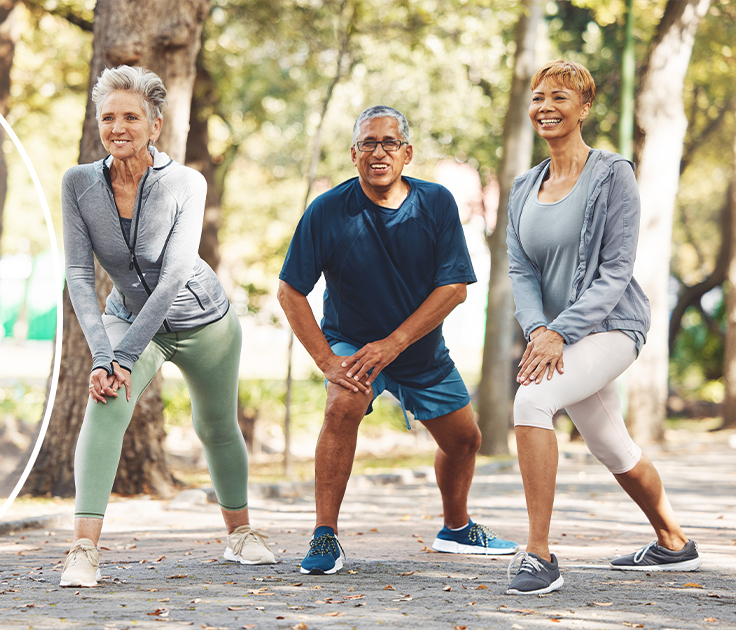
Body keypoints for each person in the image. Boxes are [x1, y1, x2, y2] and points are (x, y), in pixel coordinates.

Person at [58, 65, 276, 588]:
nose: (118, 127)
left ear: (154, 125)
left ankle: (241, 534)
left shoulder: (186, 183)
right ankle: (83, 549)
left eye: (131, 116)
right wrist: (106, 358)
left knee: (216, 427)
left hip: (205, 321)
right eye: (108, 117)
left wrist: (124, 356)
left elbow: (177, 273)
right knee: (106, 401)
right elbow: (79, 274)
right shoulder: (79, 184)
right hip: (131, 317)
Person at [278, 105, 518, 576]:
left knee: (466, 440)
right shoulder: (327, 210)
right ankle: (325, 535)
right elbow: (290, 291)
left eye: (389, 143)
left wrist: (394, 343)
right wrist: (328, 361)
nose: (379, 152)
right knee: (341, 404)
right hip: (352, 343)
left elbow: (454, 288)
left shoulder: (436, 203)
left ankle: (455, 528)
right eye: (368, 143)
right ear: (353, 154)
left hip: (419, 349)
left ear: (406, 153)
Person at [504, 60, 701, 596]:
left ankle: (538, 554)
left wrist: (559, 333)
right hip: (556, 337)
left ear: (585, 107)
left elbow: (616, 271)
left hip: (611, 328)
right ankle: (673, 542)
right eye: (539, 96)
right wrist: (539, 328)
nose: (546, 106)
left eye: (561, 97)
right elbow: (520, 268)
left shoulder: (613, 173)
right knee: (611, 445)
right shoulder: (524, 185)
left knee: (532, 401)